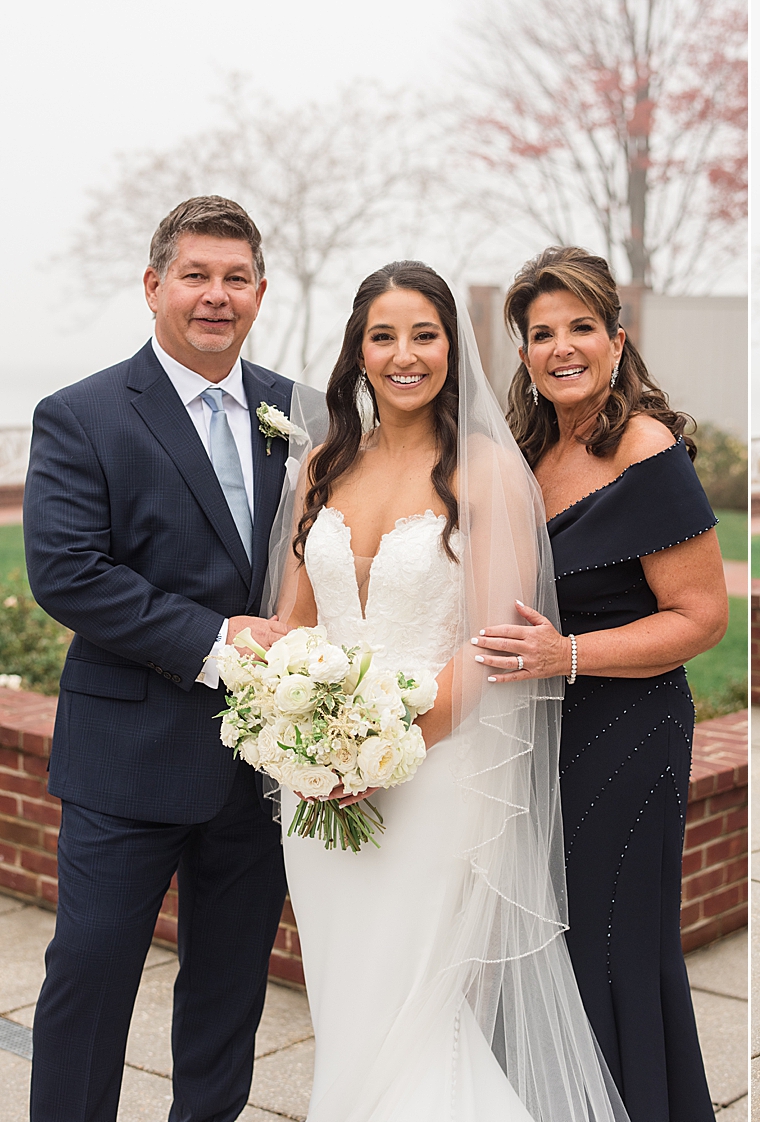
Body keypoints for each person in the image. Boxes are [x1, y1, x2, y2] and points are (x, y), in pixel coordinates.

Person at [268, 261, 629, 1120]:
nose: (404, 355)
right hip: (317, 783)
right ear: (358, 350)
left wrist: (381, 748)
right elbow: (293, 624)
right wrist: (303, 740)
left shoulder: (486, 474)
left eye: (423, 334)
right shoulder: (320, 465)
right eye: (383, 336)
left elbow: (495, 642)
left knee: (414, 1008)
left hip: (432, 777)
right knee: (351, 1005)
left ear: (450, 349)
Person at [25, 196, 293, 1121]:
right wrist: (217, 641)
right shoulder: (82, 415)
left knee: (228, 997)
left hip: (262, 765)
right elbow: (67, 572)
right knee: (89, 989)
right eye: (196, 275)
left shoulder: (296, 412)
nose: (216, 296)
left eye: (235, 278)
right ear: (154, 286)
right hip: (125, 763)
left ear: (261, 291)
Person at [469, 245, 727, 1121]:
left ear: (618, 341)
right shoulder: (530, 450)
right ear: (524, 353)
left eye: (581, 327)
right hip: (539, 735)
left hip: (625, 731)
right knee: (545, 948)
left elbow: (699, 618)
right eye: (543, 333)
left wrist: (566, 657)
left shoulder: (644, 447)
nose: (562, 347)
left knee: (610, 948)